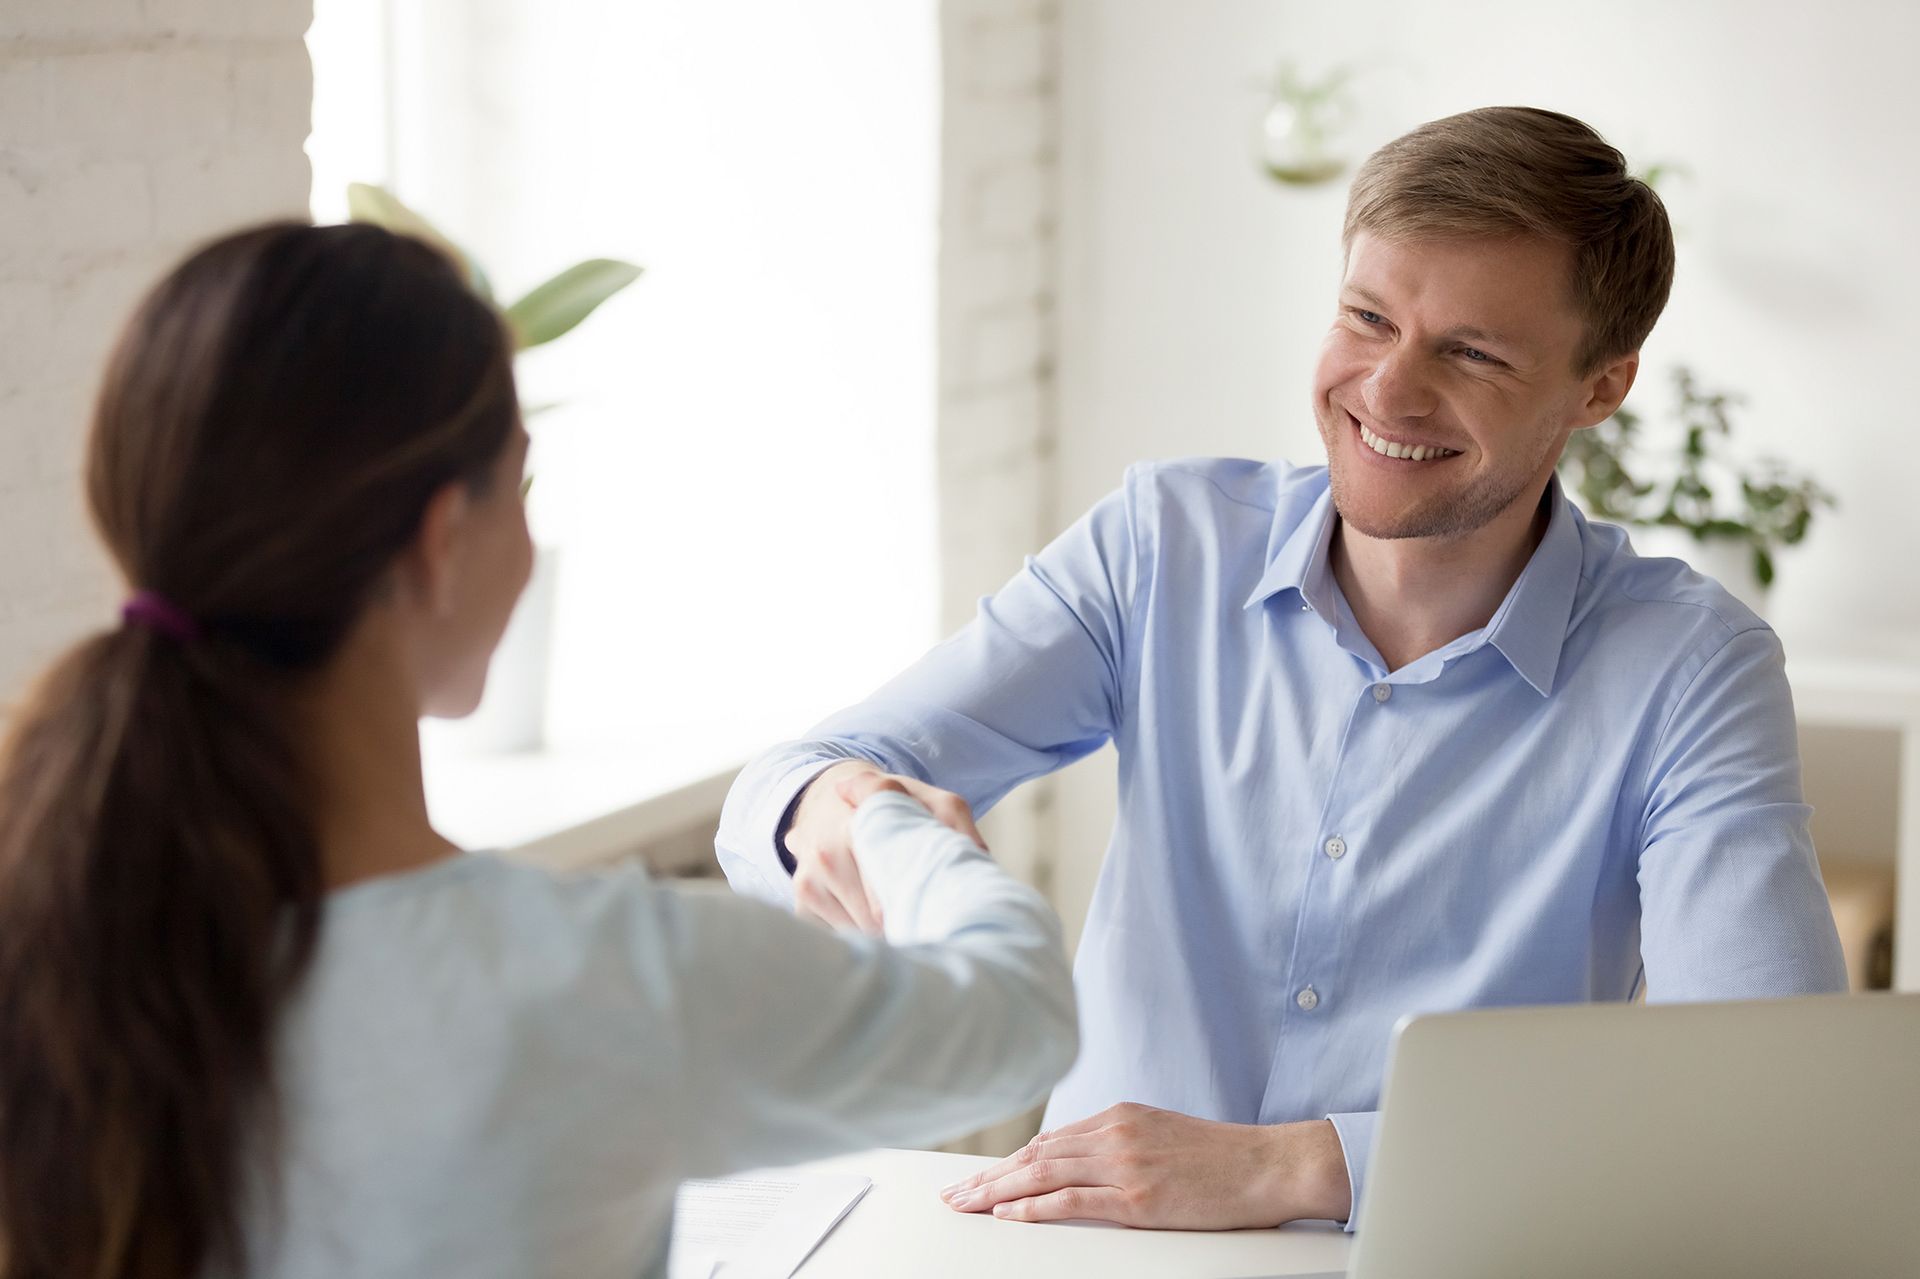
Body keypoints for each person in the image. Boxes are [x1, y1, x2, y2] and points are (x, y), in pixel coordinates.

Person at [716, 106, 1848, 1231]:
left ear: (1600, 387)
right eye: (1367, 317)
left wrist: (1303, 1165)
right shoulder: (1164, 544)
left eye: (1471, 353)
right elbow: (798, 778)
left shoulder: (1692, 669)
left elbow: (1756, 1097)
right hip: (1098, 1259)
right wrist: (837, 807)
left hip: (1458, 1252)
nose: (1388, 391)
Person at [0, 222, 1077, 1279]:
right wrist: (884, 815)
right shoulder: (593, 978)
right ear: (437, 543)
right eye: (517, 483)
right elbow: (1017, 1014)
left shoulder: (47, 923)